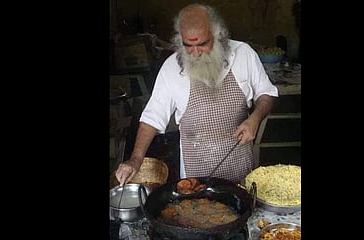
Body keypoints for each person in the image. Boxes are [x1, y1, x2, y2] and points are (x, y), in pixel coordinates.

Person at [115, 3, 278, 185]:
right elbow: (152, 118)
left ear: (218, 35)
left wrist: (255, 118)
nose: (195, 52)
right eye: (188, 45)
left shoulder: (244, 55)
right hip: (196, 177)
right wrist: (135, 160)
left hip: (240, 171)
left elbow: (266, 94)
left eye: (202, 44)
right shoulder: (171, 68)